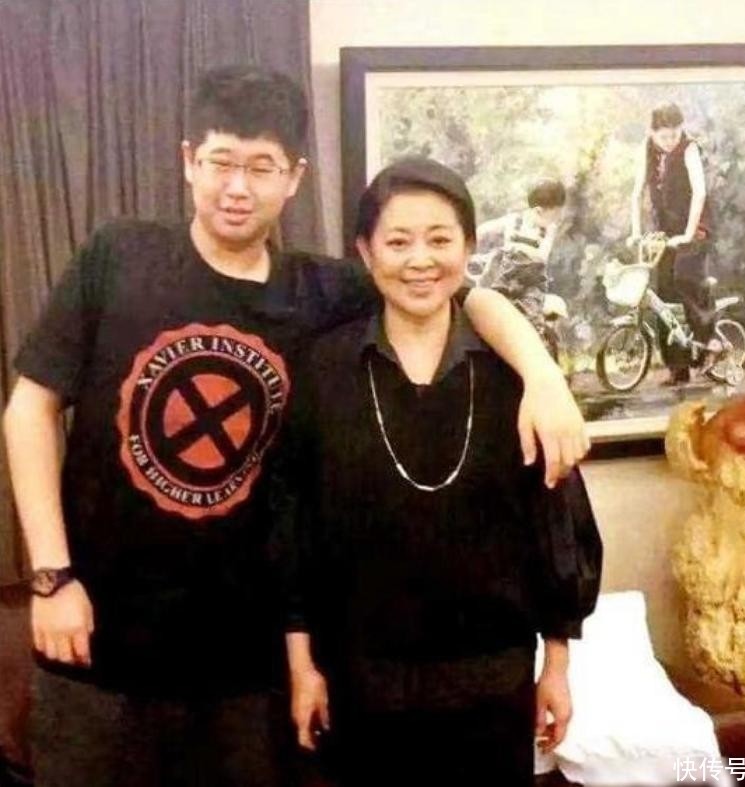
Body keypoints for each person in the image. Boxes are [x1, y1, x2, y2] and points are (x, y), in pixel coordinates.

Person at [3, 66, 590, 787]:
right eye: (220, 161)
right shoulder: (117, 257)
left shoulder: (325, 291)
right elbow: (29, 409)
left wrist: (542, 376)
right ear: (188, 161)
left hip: (247, 667)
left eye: (262, 167)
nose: (237, 187)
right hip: (99, 643)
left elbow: (453, 291)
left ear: (294, 177)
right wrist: (52, 575)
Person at [282, 157, 602, 787]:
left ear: (469, 246)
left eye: (439, 239)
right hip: (360, 679)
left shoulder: (515, 376)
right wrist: (301, 666)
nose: (420, 261)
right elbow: (293, 526)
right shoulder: (324, 368)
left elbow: (555, 523)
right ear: (365, 252)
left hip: (490, 681)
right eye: (398, 242)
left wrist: (557, 667)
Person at [628, 102, 717, 385]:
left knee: (686, 278)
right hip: (664, 229)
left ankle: (708, 344)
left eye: (674, 135)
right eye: (663, 136)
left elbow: (699, 193)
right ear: (652, 133)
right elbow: (636, 193)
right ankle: (677, 368)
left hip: (693, 226)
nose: (669, 141)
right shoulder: (647, 149)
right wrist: (635, 231)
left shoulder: (689, 149)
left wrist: (688, 235)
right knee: (663, 294)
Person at [475, 178, 566, 341]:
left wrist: (519, 250)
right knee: (487, 314)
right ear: (538, 211)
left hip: (530, 285)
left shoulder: (548, 231)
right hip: (504, 281)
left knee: (531, 325)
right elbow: (482, 231)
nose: (557, 219)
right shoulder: (513, 222)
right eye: (555, 214)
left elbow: (541, 256)